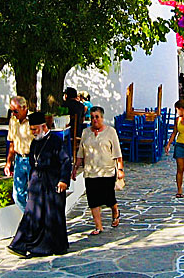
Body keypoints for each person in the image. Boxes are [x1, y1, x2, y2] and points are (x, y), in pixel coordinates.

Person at [8, 111, 72, 257]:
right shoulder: (35, 142)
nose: (33, 132)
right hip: (37, 182)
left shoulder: (55, 141)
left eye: (35, 129)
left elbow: (66, 161)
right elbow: (33, 162)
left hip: (53, 182)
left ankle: (54, 247)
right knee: (32, 213)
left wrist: (63, 180)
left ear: (43, 126)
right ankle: (19, 245)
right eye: (31, 129)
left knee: (52, 215)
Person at [72, 106, 123, 235]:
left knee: (108, 198)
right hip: (90, 171)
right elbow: (80, 152)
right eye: (92, 117)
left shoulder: (110, 132)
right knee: (93, 199)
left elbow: (117, 152)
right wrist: (75, 168)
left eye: (97, 117)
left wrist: (120, 169)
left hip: (107, 171)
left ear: (102, 118)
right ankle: (98, 226)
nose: (94, 120)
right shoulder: (86, 132)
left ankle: (115, 211)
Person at [5, 96, 33, 211]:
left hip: (32, 159)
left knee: (33, 194)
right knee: (17, 195)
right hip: (19, 159)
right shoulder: (13, 120)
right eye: (11, 111)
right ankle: (31, 218)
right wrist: (8, 163)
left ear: (24, 108)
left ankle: (33, 221)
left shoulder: (33, 119)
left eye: (16, 111)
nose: (14, 113)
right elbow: (12, 142)